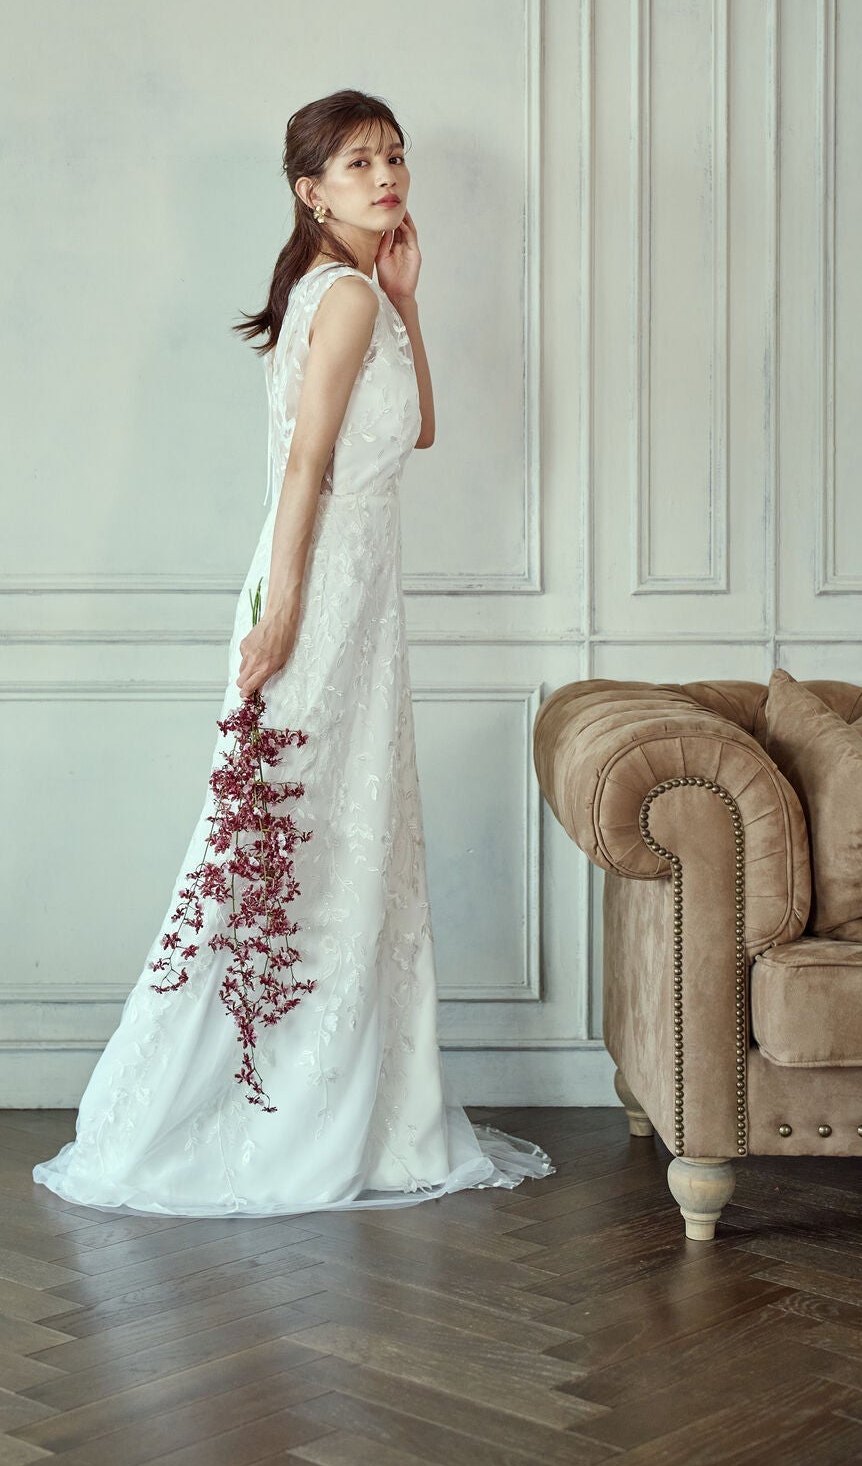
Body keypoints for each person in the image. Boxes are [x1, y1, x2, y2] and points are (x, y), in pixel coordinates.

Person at [32, 89, 554, 1215]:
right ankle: (253, 1108)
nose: (387, 174)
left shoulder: (359, 294)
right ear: (311, 190)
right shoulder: (339, 296)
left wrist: (410, 300)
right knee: (286, 841)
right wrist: (280, 614)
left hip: (352, 598)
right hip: (318, 597)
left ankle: (325, 1098)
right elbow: (305, 470)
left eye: (394, 156)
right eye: (358, 162)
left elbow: (415, 432)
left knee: (333, 841)